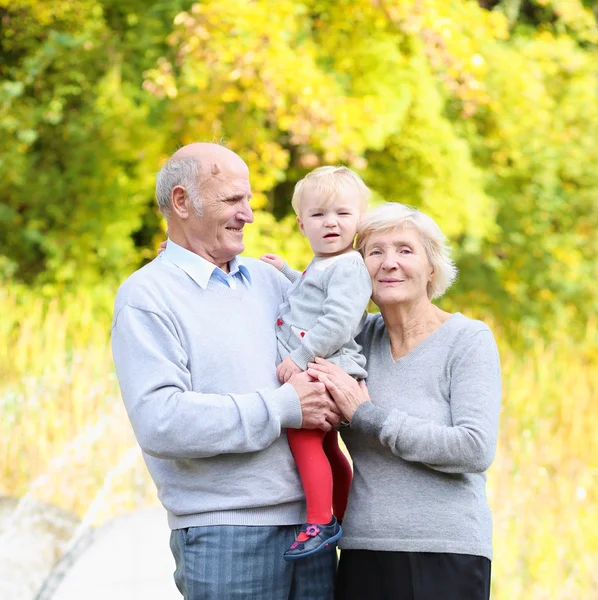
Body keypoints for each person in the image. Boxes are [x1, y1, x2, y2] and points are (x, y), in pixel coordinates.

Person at [111, 142, 342, 600]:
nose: (249, 215)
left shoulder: (271, 279)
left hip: (312, 528)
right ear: (182, 202)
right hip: (225, 534)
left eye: (249, 200)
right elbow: (162, 422)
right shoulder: (147, 297)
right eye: (233, 200)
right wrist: (283, 407)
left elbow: (346, 328)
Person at [307, 202, 502, 600]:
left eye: (405, 250)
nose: (388, 263)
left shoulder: (467, 340)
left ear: (432, 268)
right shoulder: (353, 342)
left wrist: (368, 417)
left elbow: (474, 448)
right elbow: (295, 310)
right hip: (362, 549)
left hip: (445, 551)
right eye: (374, 252)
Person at [259, 167, 372, 561]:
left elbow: (338, 321)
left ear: (359, 220)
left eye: (343, 213)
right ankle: (339, 514)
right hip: (327, 365)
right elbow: (310, 299)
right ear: (301, 223)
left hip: (325, 367)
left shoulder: (350, 265)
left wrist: (299, 357)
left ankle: (319, 521)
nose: (331, 223)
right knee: (328, 446)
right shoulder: (324, 264)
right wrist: (287, 272)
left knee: (303, 436)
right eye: (319, 215)